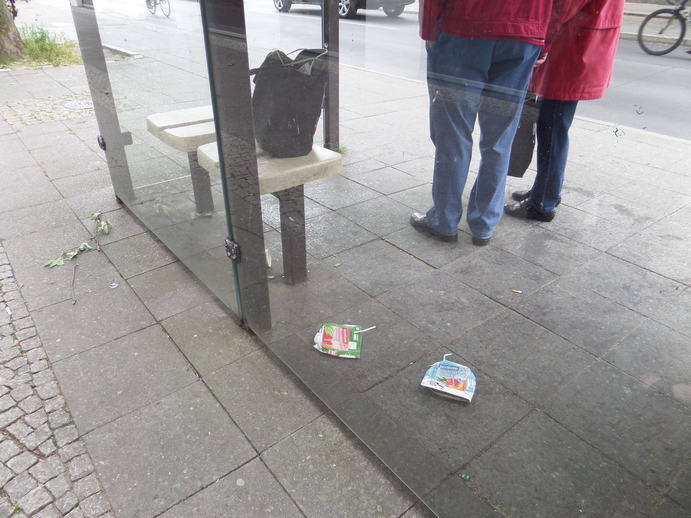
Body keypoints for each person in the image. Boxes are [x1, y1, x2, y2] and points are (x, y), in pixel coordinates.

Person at [410, 0, 555, 245]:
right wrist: (545, 39)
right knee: (500, 137)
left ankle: (444, 220)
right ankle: (484, 224)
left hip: (464, 28)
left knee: (452, 132)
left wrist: (430, 32)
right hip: (525, 33)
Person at [505, 0, 625, 221]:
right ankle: (546, 190)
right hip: (583, 46)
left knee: (552, 129)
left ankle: (542, 203)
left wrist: (541, 42)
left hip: (572, 50)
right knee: (554, 127)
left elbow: (562, 9)